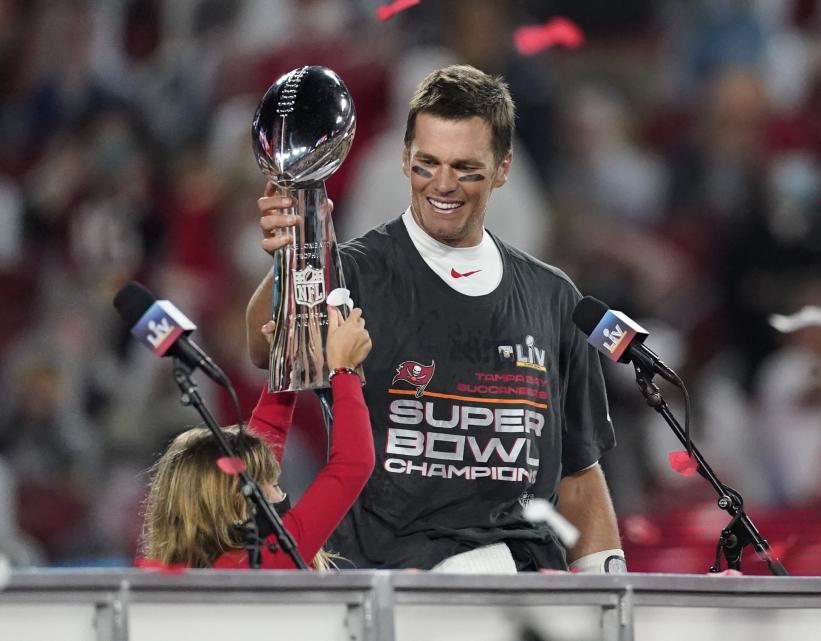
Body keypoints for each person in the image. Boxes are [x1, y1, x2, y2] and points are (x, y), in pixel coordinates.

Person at [247, 65, 623, 572]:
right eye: (427, 164)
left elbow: (579, 473)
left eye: (466, 168)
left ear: (503, 168)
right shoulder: (351, 272)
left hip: (519, 589)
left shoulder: (553, 298)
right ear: (403, 159)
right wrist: (292, 256)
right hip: (389, 591)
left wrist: (607, 595)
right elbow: (269, 348)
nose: (443, 185)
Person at [141, 306, 373, 569]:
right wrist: (344, 369)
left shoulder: (197, 568)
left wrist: (286, 366)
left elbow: (265, 434)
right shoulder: (261, 564)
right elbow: (353, 464)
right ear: (238, 503)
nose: (282, 491)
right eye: (272, 485)